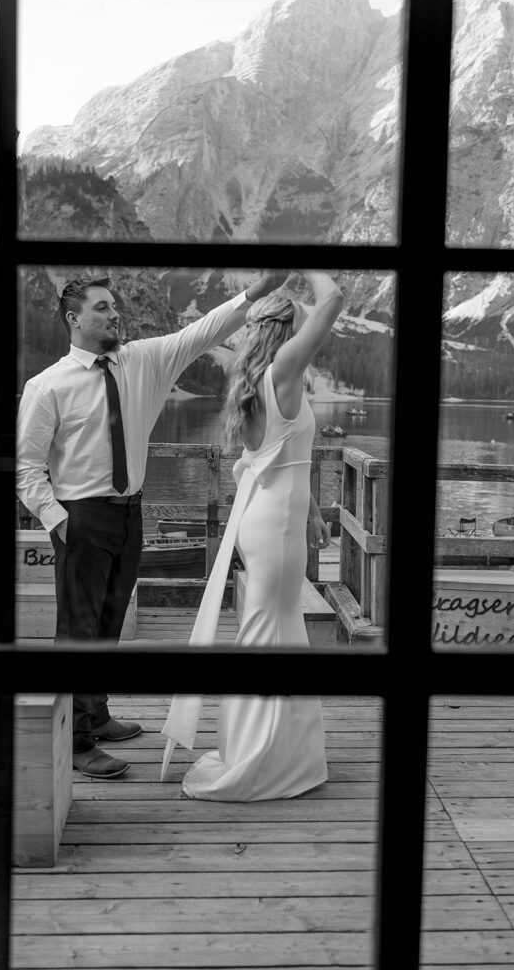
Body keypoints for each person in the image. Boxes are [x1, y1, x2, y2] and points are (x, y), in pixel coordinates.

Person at [16, 269, 288, 780]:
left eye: (114, 306)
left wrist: (257, 292)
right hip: (81, 517)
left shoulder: (142, 360)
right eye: (101, 307)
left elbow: (204, 329)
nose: (114, 313)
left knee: (110, 622)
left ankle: (95, 714)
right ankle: (75, 741)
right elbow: (28, 470)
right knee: (78, 631)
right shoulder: (46, 385)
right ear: (73, 319)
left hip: (129, 513)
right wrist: (59, 521)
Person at [161, 270, 343, 801]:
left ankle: (266, 746)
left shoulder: (260, 378)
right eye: (299, 322)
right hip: (273, 521)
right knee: (269, 631)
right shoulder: (285, 368)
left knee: (272, 626)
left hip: (269, 514)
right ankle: (259, 755)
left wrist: (311, 512)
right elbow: (333, 299)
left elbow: (279, 458)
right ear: (288, 330)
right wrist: (305, 267)